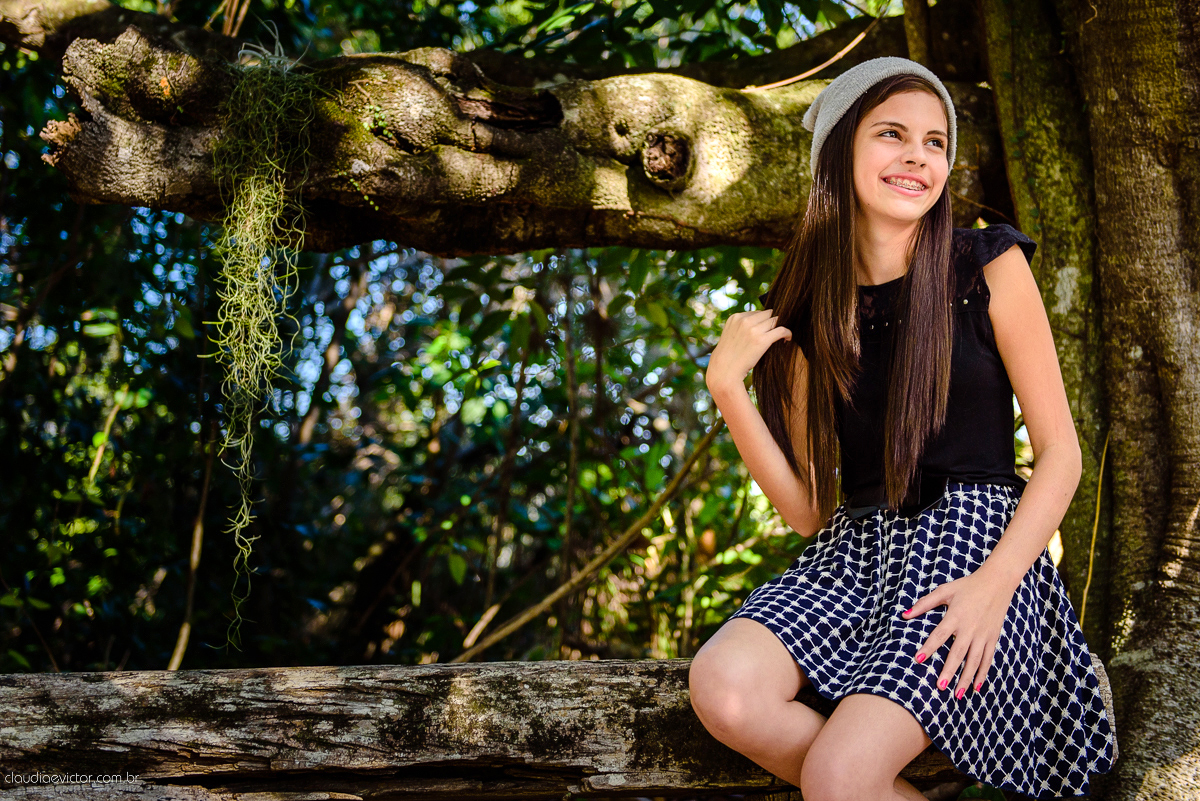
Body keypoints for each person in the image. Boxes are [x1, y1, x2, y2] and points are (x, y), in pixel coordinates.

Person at [688, 57, 1117, 801]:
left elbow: (1061, 455)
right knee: (723, 687)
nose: (919, 156)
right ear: (841, 149)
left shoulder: (989, 264)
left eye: (936, 142)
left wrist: (993, 588)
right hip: (854, 555)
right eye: (892, 134)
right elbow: (809, 511)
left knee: (838, 774)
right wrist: (728, 389)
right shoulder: (804, 316)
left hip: (977, 554)